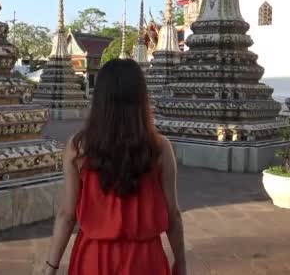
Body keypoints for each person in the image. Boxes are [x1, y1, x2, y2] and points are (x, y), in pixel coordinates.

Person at [43, 59, 187, 275]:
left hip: (93, 258)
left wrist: (51, 265)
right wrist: (180, 263)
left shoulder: (79, 147)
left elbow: (67, 214)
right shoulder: (159, 148)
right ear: (141, 99)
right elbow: (173, 215)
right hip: (145, 260)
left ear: (99, 99)